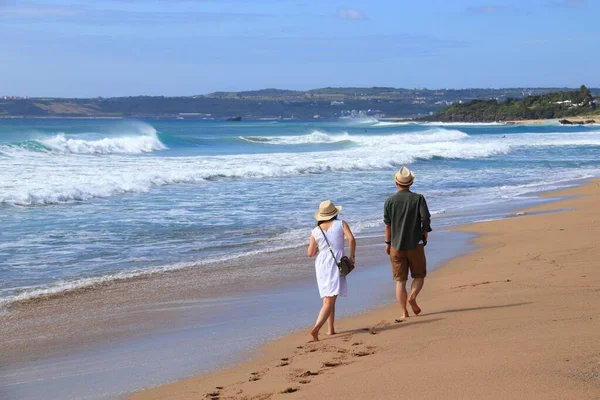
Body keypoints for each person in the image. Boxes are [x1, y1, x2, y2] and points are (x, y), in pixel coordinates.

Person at [383, 166, 432, 320]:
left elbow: (388, 225)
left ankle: (404, 312)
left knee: (400, 281)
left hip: (396, 245)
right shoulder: (418, 199)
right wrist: (425, 233)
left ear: (396, 182)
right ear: (411, 183)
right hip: (415, 244)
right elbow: (425, 218)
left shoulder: (390, 201)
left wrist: (387, 243)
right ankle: (413, 296)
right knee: (419, 275)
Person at [307, 200, 356, 341]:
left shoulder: (316, 231)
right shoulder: (341, 224)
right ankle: (316, 328)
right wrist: (352, 256)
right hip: (337, 262)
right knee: (330, 299)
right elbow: (352, 240)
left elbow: (310, 253)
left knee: (328, 297)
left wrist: (318, 246)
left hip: (322, 263)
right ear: (334, 213)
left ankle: (331, 329)